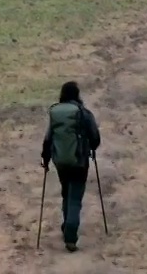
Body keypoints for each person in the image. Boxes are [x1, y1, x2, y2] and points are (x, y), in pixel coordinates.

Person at [41, 80, 102, 252]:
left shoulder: (55, 112)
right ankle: (70, 236)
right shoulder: (83, 113)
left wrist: (46, 160)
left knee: (66, 193)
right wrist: (91, 148)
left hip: (60, 161)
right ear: (77, 95)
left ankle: (66, 224)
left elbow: (48, 139)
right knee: (75, 197)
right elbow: (95, 138)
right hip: (79, 161)